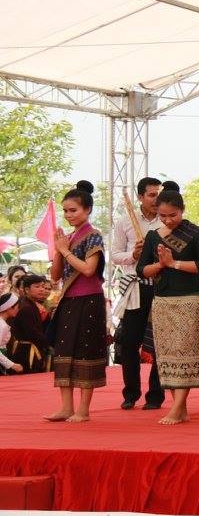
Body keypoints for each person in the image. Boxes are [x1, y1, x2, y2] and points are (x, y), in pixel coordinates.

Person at [136, 189, 199, 424]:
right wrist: (160, 265)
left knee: (185, 353)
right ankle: (181, 409)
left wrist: (174, 263)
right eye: (163, 216)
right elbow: (142, 270)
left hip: (189, 299)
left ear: (182, 210)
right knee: (168, 354)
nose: (168, 220)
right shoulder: (153, 236)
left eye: (173, 215)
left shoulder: (196, 233)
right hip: (163, 300)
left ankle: (176, 408)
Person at [44, 181, 108, 422]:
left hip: (89, 300)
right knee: (64, 351)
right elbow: (55, 276)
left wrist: (66, 251)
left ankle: (83, 409)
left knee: (85, 352)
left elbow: (89, 270)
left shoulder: (93, 236)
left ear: (87, 210)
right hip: (68, 301)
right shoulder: (67, 237)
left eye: (73, 210)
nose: (68, 215)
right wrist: (58, 250)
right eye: (65, 211)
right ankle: (66, 407)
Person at [112, 176, 164, 410]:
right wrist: (133, 255)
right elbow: (115, 255)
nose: (156, 200)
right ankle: (131, 393)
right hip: (136, 286)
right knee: (130, 341)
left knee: (160, 342)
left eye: (158, 195)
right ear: (140, 196)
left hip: (161, 286)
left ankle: (155, 395)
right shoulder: (125, 222)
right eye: (152, 195)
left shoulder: (167, 221)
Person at [9, 274, 51, 373]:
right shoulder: (26, 307)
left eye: (43, 286)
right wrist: (51, 342)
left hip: (29, 348)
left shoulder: (31, 304)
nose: (42, 289)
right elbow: (33, 334)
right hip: (26, 352)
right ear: (27, 290)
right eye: (37, 286)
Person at [0, 293, 25, 375]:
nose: (18, 310)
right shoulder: (1, 324)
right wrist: (12, 365)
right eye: (17, 307)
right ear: (9, 307)